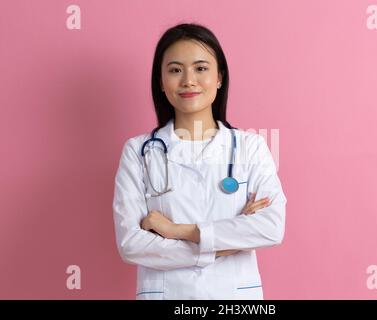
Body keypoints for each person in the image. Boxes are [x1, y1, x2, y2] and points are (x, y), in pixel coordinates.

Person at [112, 23, 287, 300]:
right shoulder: (138, 152)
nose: (188, 80)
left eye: (201, 68)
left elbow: (270, 228)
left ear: (219, 77)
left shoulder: (250, 147)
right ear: (161, 81)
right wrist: (223, 243)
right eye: (175, 70)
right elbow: (131, 244)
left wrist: (175, 231)